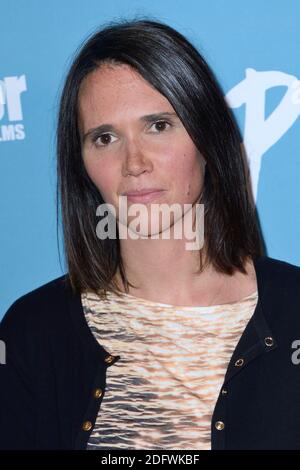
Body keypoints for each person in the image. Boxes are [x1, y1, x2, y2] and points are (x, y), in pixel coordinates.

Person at [1, 17, 300, 451]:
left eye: (158, 125)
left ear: (207, 139)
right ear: (82, 164)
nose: (134, 162)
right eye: (104, 137)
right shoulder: (31, 333)